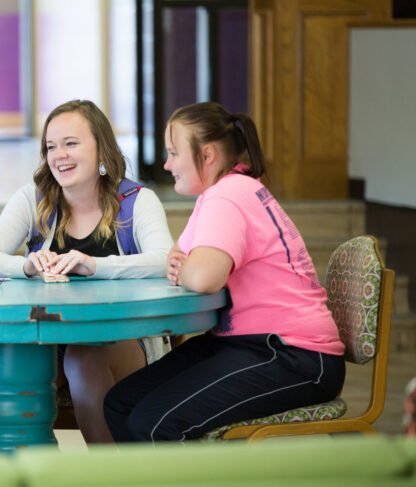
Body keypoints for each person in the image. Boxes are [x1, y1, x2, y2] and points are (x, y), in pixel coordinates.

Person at [104, 101, 346, 443]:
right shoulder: (220, 194)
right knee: (121, 403)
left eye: (174, 153)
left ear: (207, 155)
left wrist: (189, 266)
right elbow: (178, 257)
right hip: (247, 345)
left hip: (294, 355)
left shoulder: (229, 195)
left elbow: (202, 276)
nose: (166, 164)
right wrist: (187, 264)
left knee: (153, 423)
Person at [0, 99, 174, 443]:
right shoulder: (34, 198)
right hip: (50, 335)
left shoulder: (139, 199)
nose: (59, 155)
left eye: (71, 143)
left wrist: (93, 265)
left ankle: (105, 483)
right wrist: (28, 265)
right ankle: (37, 475)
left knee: (83, 358)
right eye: (51, 146)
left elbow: (165, 258)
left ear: (101, 148)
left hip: (123, 334)